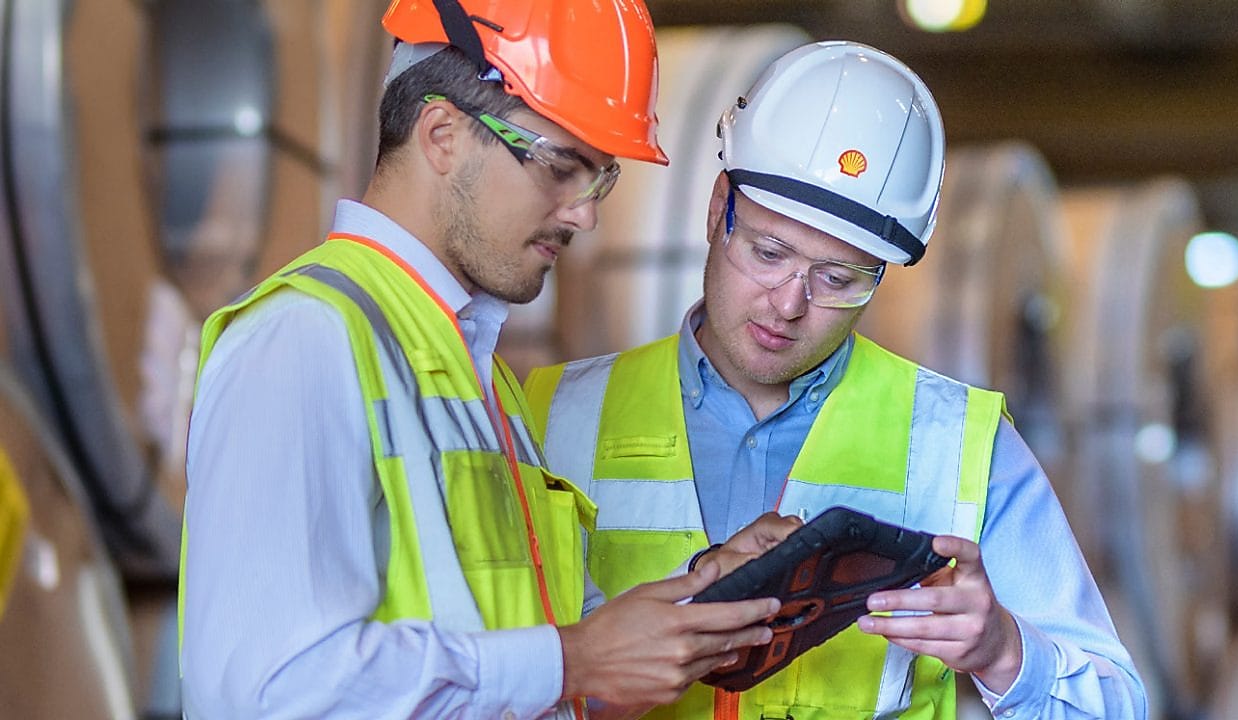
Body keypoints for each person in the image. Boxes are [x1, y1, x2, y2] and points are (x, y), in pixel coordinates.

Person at [177, 1, 793, 718]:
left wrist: (703, 596)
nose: (585, 213)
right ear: (442, 134)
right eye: (561, 167)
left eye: (601, 179)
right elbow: (268, 689)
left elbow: (528, 656)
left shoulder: (480, 371)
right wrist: (573, 660)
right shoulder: (305, 340)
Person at [524, 41, 1148, 719]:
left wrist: (1002, 651)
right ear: (716, 209)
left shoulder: (957, 443)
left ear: (881, 276)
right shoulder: (554, 417)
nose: (789, 304)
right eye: (768, 253)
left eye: (838, 279)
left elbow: (1115, 705)